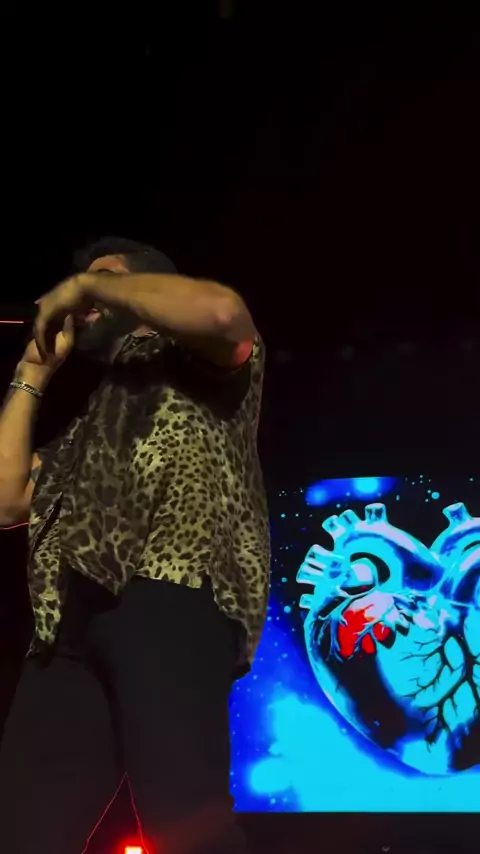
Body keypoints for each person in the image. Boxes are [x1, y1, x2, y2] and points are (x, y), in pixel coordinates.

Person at [0, 237, 270, 853]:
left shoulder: (202, 369)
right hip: (66, 628)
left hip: (171, 596)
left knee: (184, 821)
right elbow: (7, 499)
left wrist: (87, 284)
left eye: (105, 278)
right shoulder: (86, 429)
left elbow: (222, 313)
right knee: (24, 829)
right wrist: (32, 374)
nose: (82, 291)